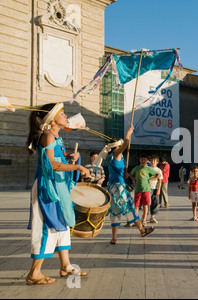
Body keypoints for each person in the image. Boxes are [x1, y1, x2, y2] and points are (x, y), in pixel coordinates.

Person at [25, 102, 90, 285]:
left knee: (61, 225)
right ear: (52, 119)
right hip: (48, 189)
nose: (65, 116)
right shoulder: (48, 136)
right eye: (62, 113)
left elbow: (58, 161)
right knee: (48, 226)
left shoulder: (54, 137)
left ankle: (66, 265)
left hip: (56, 187)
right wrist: (77, 166)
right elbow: (52, 165)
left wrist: (71, 159)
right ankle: (34, 273)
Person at [101, 126, 155, 244]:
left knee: (115, 210)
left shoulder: (110, 157)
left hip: (112, 186)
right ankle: (141, 230)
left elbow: (116, 170)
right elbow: (125, 143)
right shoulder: (116, 154)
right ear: (116, 146)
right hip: (119, 187)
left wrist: (124, 173)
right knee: (130, 208)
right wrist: (128, 133)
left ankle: (114, 238)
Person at [130, 154, 159, 226]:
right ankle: (136, 219)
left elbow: (158, 174)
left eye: (145, 160)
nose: (143, 161)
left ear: (147, 161)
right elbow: (131, 174)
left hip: (146, 189)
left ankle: (144, 220)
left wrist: (151, 179)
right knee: (136, 206)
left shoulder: (149, 169)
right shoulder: (136, 168)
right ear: (140, 160)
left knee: (145, 205)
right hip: (137, 190)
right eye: (142, 159)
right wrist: (133, 180)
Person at [148, 155, 162, 223]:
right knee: (146, 203)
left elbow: (160, 181)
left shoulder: (158, 170)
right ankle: (144, 216)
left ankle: (152, 217)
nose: (153, 162)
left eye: (154, 161)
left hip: (154, 188)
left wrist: (159, 189)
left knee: (155, 202)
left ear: (157, 162)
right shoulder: (147, 168)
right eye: (151, 160)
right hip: (147, 188)